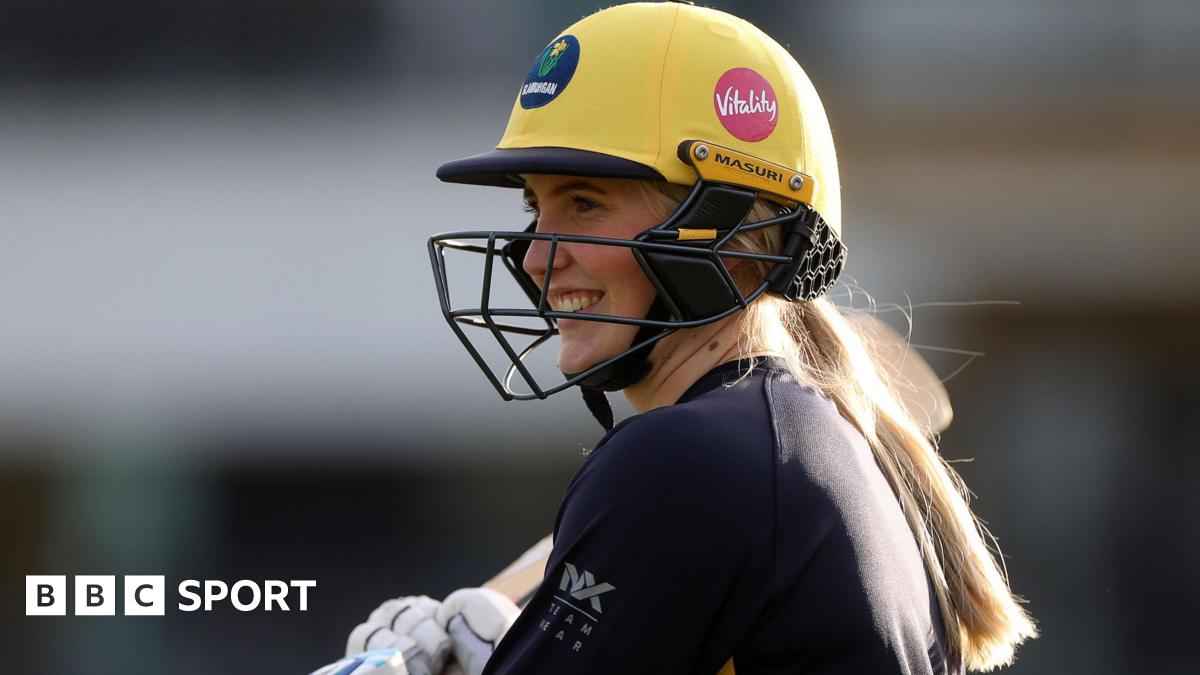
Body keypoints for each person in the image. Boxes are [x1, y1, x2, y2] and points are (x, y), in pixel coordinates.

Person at [317, 2, 1036, 674]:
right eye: (536, 207)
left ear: (732, 236)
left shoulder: (685, 461)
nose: (536, 257)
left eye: (585, 204)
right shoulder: (804, 446)